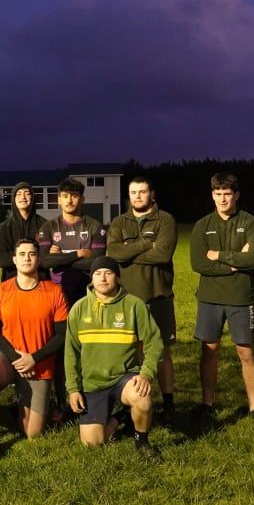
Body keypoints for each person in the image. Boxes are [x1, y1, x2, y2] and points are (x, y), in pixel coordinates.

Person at [0, 238, 68, 459]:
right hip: (8, 356)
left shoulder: (54, 292)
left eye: (32, 254)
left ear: (39, 259)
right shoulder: (0, 291)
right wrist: (16, 357)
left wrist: (34, 358)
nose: (27, 258)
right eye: (22, 254)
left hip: (39, 361)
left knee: (31, 432)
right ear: (14, 260)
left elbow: (64, 334)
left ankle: (16, 406)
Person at [66, 257, 163, 460]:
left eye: (108, 273)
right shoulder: (79, 309)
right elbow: (71, 353)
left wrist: (146, 374)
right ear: (91, 278)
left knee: (142, 398)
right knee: (93, 444)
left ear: (117, 277)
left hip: (124, 377)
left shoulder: (134, 305)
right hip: (92, 383)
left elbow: (154, 342)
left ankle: (142, 442)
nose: (103, 278)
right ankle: (122, 415)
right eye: (98, 273)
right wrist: (73, 389)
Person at [189, 172, 254, 428]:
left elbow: (253, 259)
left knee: (246, 351)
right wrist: (234, 262)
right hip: (210, 297)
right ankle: (207, 403)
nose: (223, 198)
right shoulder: (202, 225)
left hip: (241, 298)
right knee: (209, 351)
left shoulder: (251, 223)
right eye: (218, 194)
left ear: (236, 195)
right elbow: (198, 263)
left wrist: (218, 255)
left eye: (227, 193)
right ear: (212, 195)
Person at [106, 176, 179, 426]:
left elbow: (164, 254)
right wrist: (147, 244)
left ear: (152, 194)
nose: (138, 196)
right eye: (133, 192)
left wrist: (130, 254)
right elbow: (114, 253)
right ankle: (134, 403)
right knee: (133, 351)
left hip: (158, 295)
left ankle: (168, 405)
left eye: (143, 191)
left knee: (162, 354)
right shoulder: (119, 222)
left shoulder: (165, 220)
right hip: (127, 299)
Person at [37, 177, 105, 419]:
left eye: (74, 195)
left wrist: (61, 257)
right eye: (65, 195)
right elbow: (44, 261)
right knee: (60, 350)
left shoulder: (95, 226)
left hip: (87, 295)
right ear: (58, 199)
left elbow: (96, 262)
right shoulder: (49, 227)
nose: (69, 199)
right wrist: (76, 253)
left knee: (86, 349)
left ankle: (89, 399)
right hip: (57, 297)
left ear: (82, 199)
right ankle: (60, 400)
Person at [0, 182, 48, 282]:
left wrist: (17, 256)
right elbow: (1, 260)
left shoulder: (45, 225)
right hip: (12, 283)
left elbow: (49, 256)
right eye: (18, 194)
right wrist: (35, 256)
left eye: (27, 193)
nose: (23, 197)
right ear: (14, 199)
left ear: (32, 198)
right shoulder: (3, 228)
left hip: (41, 281)